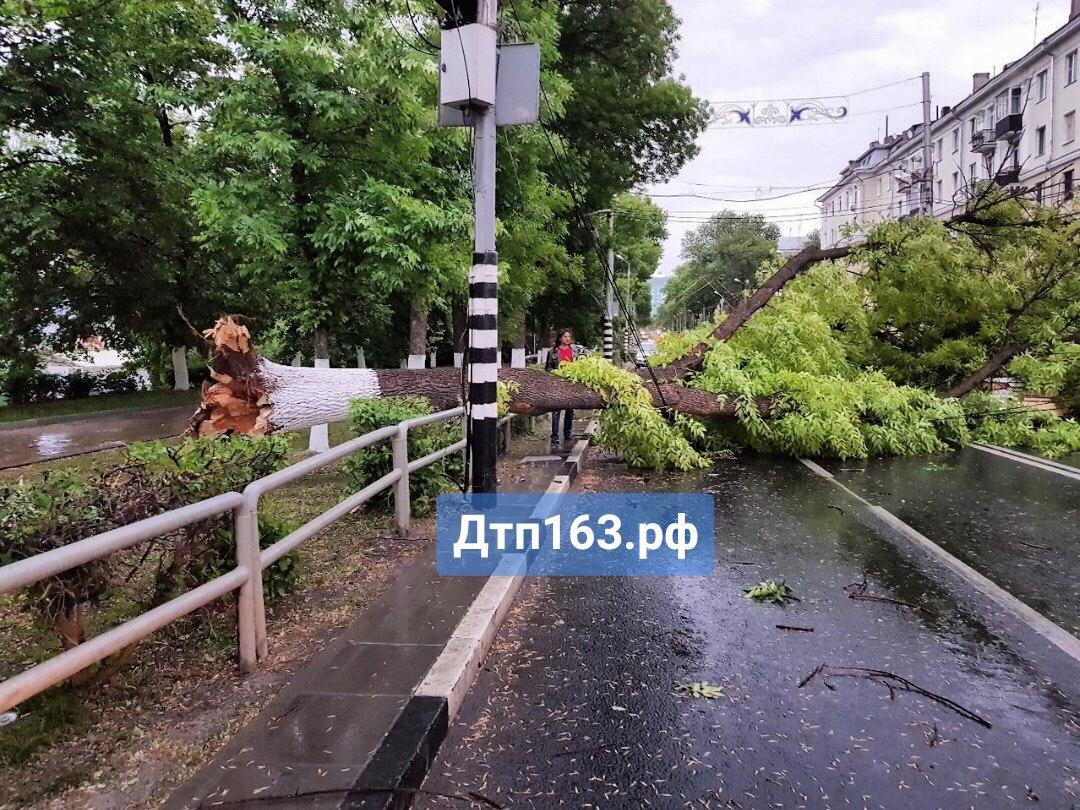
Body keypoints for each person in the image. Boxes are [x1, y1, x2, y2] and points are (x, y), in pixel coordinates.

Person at [544, 329, 577, 443]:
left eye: (569, 336)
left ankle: (568, 433)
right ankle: (555, 435)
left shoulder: (574, 351)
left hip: (571, 384)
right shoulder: (552, 352)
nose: (567, 338)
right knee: (556, 410)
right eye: (565, 336)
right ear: (560, 338)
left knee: (570, 410)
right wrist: (557, 373)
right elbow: (547, 369)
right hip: (557, 384)